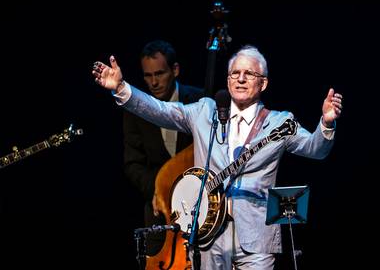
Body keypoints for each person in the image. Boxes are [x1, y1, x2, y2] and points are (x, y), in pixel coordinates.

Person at [92, 45, 343, 270]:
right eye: (235, 73)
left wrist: (327, 123)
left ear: (263, 83)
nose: (241, 79)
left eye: (250, 74)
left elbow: (315, 149)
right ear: (228, 79)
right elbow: (160, 111)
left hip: (256, 237)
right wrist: (122, 89)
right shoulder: (205, 111)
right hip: (208, 234)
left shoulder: (279, 122)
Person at [122, 40, 203, 256]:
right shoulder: (135, 110)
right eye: (148, 76)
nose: (154, 82)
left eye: (160, 73)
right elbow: (133, 163)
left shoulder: (199, 100)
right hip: (160, 212)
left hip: (198, 208)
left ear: (175, 70)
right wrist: (160, 189)